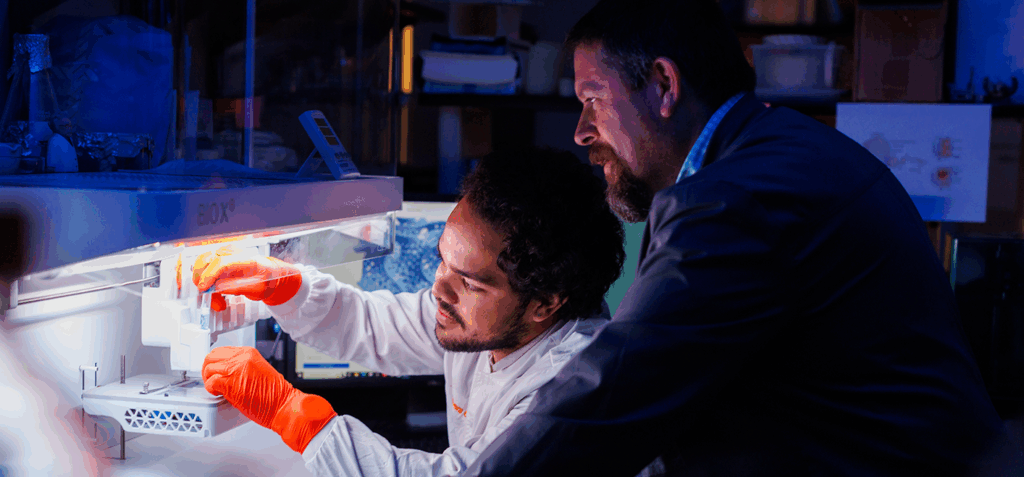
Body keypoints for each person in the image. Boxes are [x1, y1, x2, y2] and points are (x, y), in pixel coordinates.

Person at [463, 0, 1017, 476]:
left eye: (592, 100)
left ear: (662, 85)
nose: (582, 131)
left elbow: (613, 394)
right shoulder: (791, 148)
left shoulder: (733, 200)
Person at [192, 147, 626, 476]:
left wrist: (297, 417)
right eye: (443, 260)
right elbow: (373, 327)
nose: (439, 288)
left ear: (546, 303)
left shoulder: (570, 391)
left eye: (470, 282)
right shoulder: (491, 321)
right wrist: (285, 287)